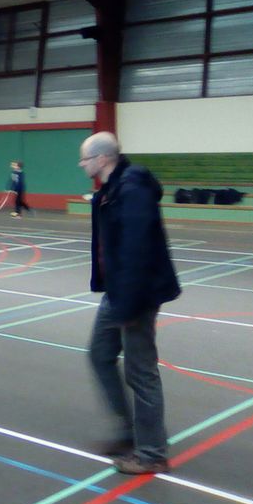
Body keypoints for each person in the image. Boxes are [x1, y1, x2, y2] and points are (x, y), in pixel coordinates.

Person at [79, 132, 181, 475]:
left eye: (85, 159)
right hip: (118, 292)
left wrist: (128, 307)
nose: (82, 164)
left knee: (141, 371)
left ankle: (152, 452)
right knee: (100, 354)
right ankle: (130, 432)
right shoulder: (109, 190)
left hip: (137, 294)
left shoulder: (133, 187)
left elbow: (137, 249)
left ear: (102, 158)